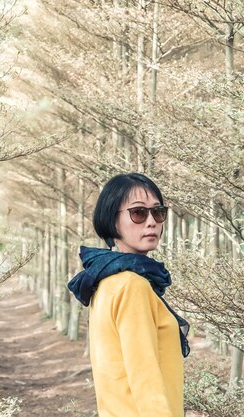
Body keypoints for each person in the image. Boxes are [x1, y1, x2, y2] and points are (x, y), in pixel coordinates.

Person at [68, 172, 190, 417]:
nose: (151, 222)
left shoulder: (106, 280)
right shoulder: (131, 286)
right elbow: (146, 380)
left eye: (158, 212)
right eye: (138, 213)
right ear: (112, 221)